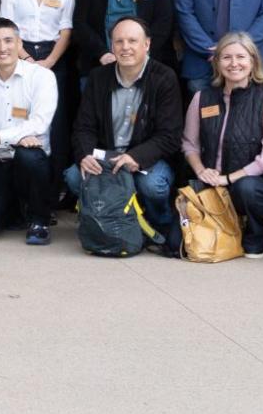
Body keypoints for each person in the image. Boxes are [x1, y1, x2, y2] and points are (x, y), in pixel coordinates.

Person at [64, 16, 185, 255]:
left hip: (146, 158)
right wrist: (85, 156)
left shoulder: (164, 77)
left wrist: (135, 157)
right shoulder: (99, 77)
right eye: (119, 41)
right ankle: (106, 219)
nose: (125, 47)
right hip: (107, 156)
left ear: (147, 44)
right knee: (74, 177)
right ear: (112, 46)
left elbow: (169, 135)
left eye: (132, 40)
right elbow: (83, 127)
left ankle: (157, 221)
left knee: (152, 185)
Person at [181, 32, 263, 258]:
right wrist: (201, 171)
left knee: (247, 189)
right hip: (209, 181)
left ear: (253, 62)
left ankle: (254, 234)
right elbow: (189, 144)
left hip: (248, 185)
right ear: (217, 62)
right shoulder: (202, 98)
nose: (234, 63)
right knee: (174, 244)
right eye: (226, 57)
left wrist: (228, 179)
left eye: (241, 57)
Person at [0, 18, 57, 245]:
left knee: (29, 156)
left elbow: (39, 122)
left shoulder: (42, 77)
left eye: (8, 41)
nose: (2, 48)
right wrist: (14, 137)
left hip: (31, 161)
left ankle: (39, 220)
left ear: (19, 44)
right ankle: (13, 207)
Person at [0, 0, 77, 184]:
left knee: (55, 123)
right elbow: (7, 29)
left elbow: (66, 30)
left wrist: (50, 61)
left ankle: (53, 189)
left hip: (54, 57)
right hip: (20, 56)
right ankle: (21, 187)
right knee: (22, 116)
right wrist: (28, 60)